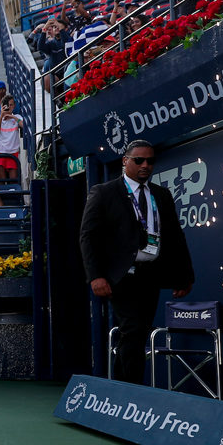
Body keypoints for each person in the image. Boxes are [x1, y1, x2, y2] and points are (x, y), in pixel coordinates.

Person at [79, 140, 194, 384]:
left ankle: (122, 392)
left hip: (150, 275)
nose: (145, 165)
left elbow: (175, 237)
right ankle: (131, 393)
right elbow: (88, 237)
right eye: (139, 160)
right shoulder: (104, 192)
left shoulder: (161, 195)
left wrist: (185, 275)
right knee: (131, 331)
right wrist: (95, 275)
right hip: (121, 276)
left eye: (150, 161)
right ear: (125, 161)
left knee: (137, 334)